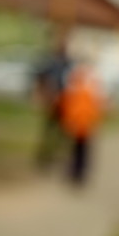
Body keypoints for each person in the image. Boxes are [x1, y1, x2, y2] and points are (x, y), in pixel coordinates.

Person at [57, 63, 104, 187]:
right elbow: (67, 108)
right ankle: (75, 172)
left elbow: (94, 109)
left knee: (80, 152)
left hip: (83, 126)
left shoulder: (84, 90)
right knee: (76, 151)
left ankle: (78, 173)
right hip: (78, 126)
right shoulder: (78, 90)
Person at [33, 38, 72, 170]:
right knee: (49, 131)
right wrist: (43, 95)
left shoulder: (67, 63)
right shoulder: (50, 63)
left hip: (64, 103)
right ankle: (44, 157)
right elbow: (39, 78)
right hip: (52, 102)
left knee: (61, 133)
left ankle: (54, 157)